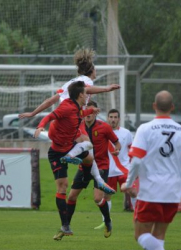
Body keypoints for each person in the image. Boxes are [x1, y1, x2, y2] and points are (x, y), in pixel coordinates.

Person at [20, 48, 119, 193]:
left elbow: (50, 101)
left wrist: (33, 113)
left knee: (89, 151)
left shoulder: (70, 83)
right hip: (70, 121)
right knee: (87, 145)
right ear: (91, 70)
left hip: (68, 120)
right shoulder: (85, 81)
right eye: (95, 68)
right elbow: (87, 89)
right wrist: (107, 88)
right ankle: (70, 157)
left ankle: (98, 180)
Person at [121, 91, 181, 250]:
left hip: (151, 191)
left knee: (140, 235)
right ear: (172, 107)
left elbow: (137, 160)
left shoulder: (145, 129)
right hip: (173, 192)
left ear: (154, 106)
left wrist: (129, 183)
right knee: (158, 236)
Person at [34, 81, 100, 240]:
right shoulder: (66, 106)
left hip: (70, 147)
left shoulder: (78, 108)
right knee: (62, 187)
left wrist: (91, 110)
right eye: (86, 93)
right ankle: (65, 224)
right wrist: (40, 126)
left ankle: (82, 172)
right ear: (80, 95)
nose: (88, 95)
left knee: (89, 157)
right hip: (56, 153)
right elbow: (49, 116)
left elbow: (79, 115)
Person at [65, 101, 121, 240]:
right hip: (84, 166)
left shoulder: (104, 127)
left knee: (97, 198)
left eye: (91, 111)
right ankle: (66, 225)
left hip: (101, 166)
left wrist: (117, 149)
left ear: (95, 113)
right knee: (71, 197)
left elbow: (117, 142)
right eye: (86, 111)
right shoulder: (78, 127)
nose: (88, 114)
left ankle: (107, 221)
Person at [94, 108, 135, 230]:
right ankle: (106, 221)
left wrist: (133, 166)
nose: (113, 119)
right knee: (106, 196)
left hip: (123, 169)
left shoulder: (126, 133)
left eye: (115, 117)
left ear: (119, 119)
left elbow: (132, 150)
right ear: (107, 118)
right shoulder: (101, 132)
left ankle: (139, 217)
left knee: (132, 191)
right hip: (108, 170)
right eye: (111, 117)